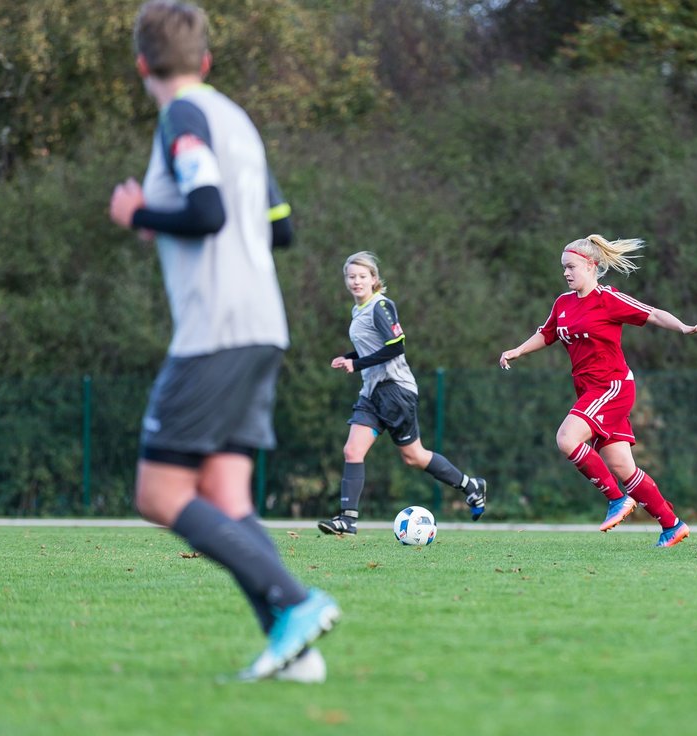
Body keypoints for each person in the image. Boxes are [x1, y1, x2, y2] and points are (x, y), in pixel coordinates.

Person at [107, 0, 338, 682]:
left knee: (158, 492)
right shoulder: (238, 119)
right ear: (206, 61)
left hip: (216, 329)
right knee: (226, 496)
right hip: (263, 323)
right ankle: (296, 651)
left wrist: (138, 214)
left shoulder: (181, 114)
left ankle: (298, 601)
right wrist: (173, 222)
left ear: (143, 64)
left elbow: (205, 212)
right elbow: (279, 229)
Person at [498, 234, 697, 547]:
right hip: (589, 391)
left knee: (567, 438)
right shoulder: (563, 303)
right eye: (563, 268)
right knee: (623, 466)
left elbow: (652, 313)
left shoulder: (608, 299)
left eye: (571, 266)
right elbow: (546, 335)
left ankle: (617, 499)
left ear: (590, 265)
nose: (566, 273)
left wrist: (682, 326)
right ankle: (672, 525)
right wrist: (517, 351)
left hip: (613, 386)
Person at [319, 251, 487, 535]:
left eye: (362, 276)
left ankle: (471, 486)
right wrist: (349, 357)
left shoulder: (381, 306)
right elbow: (372, 348)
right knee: (352, 450)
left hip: (396, 390)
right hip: (372, 392)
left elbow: (396, 346)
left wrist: (356, 363)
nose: (356, 282)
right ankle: (347, 520)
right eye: (351, 277)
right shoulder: (357, 310)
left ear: (374, 279)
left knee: (414, 457)